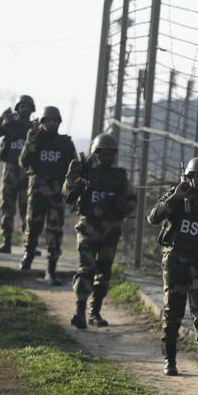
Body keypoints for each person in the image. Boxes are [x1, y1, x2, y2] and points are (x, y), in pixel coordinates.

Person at [146, 156, 198, 377]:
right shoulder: (176, 196)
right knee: (173, 312)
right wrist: (174, 198)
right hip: (175, 264)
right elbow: (153, 218)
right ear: (188, 177)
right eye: (196, 177)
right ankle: (170, 359)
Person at [63, 133, 137, 329]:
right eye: (102, 153)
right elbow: (68, 197)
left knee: (103, 272)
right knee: (86, 269)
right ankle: (79, 311)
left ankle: (95, 312)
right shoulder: (86, 174)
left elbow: (132, 202)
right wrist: (73, 178)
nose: (106, 157)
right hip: (88, 228)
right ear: (95, 154)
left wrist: (117, 204)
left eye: (110, 154)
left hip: (110, 231)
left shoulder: (119, 177)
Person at [19, 105, 77, 284]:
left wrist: (72, 191)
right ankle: (28, 256)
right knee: (33, 225)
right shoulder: (35, 139)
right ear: (43, 122)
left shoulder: (65, 143)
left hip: (56, 194)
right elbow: (23, 162)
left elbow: (73, 168)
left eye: (55, 120)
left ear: (59, 122)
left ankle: (51, 269)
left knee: (54, 231)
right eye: (48, 120)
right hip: (37, 190)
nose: (52, 123)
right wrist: (30, 143)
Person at [0, 95, 35, 253]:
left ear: (32, 109)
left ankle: (28, 244)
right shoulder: (10, 124)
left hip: (27, 171)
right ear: (17, 108)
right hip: (10, 169)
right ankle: (7, 241)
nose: (24, 109)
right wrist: (2, 119)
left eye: (27, 107)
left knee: (26, 208)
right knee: (7, 206)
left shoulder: (35, 127)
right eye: (22, 106)